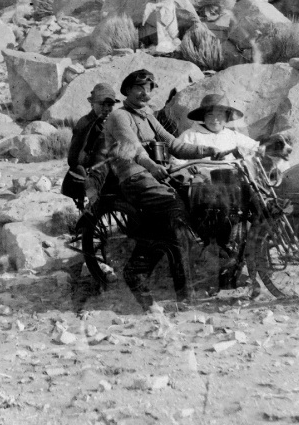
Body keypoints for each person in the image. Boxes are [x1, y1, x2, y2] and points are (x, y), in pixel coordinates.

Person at [84, 141, 197, 311]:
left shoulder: (132, 175)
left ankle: (155, 307)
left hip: (163, 218)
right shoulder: (141, 172)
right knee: (176, 259)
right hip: (171, 217)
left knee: (134, 272)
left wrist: (92, 197)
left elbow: (94, 185)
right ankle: (179, 305)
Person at [97, 69, 218, 178]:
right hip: (133, 175)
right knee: (166, 196)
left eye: (148, 90)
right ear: (128, 90)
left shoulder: (149, 118)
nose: (145, 94)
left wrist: (208, 151)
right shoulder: (119, 116)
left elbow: (175, 145)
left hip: (155, 171)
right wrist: (152, 166)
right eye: (140, 88)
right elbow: (135, 149)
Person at [61, 82, 118, 209]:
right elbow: (73, 158)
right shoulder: (85, 123)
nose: (106, 108)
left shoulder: (109, 122)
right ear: (92, 104)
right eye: (102, 104)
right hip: (93, 173)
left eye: (110, 105)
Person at [177, 93, 260, 157]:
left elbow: (256, 147)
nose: (215, 120)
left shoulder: (232, 136)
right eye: (210, 115)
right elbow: (177, 161)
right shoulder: (190, 135)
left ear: (226, 117)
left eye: (220, 115)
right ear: (203, 117)